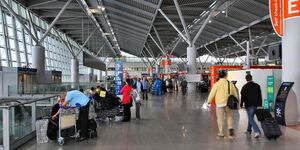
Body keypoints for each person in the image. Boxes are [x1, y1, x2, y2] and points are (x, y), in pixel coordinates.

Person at [207, 70, 238, 137]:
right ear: (225, 76)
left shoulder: (217, 84)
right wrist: (236, 99)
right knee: (229, 116)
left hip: (220, 103)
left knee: (220, 118)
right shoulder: (230, 83)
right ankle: (230, 128)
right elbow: (235, 93)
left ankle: (221, 132)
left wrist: (208, 101)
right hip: (228, 103)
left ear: (219, 76)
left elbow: (212, 93)